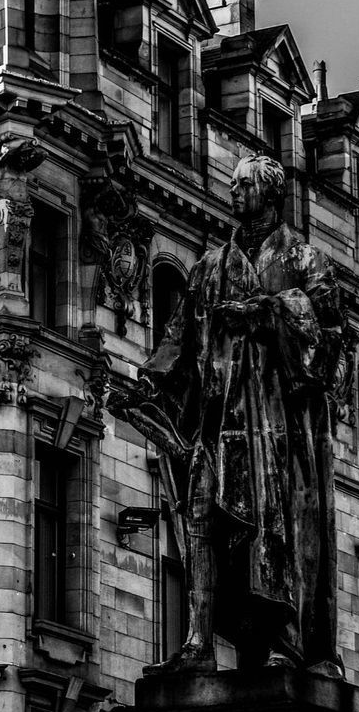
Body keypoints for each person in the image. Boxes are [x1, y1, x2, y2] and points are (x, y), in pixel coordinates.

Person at [112, 155, 344, 675]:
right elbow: (179, 340)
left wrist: (269, 311)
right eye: (233, 184)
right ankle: (198, 641)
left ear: (270, 193)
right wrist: (144, 384)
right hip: (218, 423)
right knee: (200, 518)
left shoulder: (308, 261)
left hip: (276, 431)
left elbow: (330, 347)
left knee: (272, 530)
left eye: (243, 185)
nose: (233, 192)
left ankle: (286, 644)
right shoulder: (211, 266)